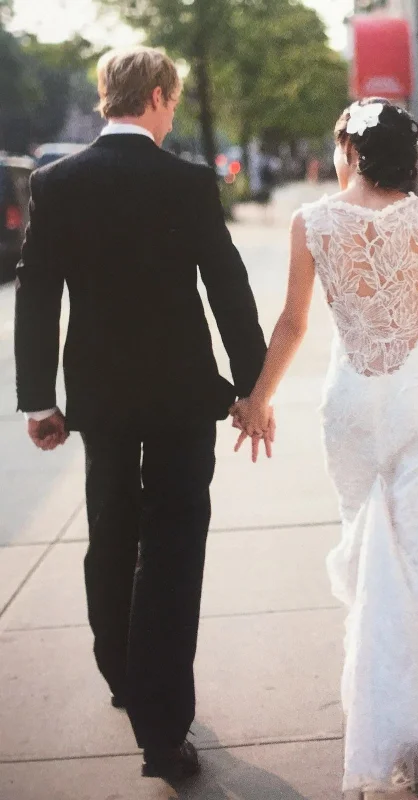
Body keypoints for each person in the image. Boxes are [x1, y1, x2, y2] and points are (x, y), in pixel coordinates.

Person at [14, 46, 271, 783]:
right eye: (173, 98)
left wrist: (40, 398)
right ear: (158, 96)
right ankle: (163, 733)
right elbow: (228, 287)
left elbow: (37, 295)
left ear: (106, 97)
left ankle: (122, 672)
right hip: (183, 395)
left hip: (100, 398)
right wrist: (253, 389)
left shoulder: (58, 181)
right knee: (172, 547)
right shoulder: (187, 182)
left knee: (111, 529)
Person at [232, 98, 418, 797]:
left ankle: (388, 715)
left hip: (350, 408)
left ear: (350, 148)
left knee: (369, 553)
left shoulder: (311, 222)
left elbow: (292, 323)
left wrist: (259, 399)